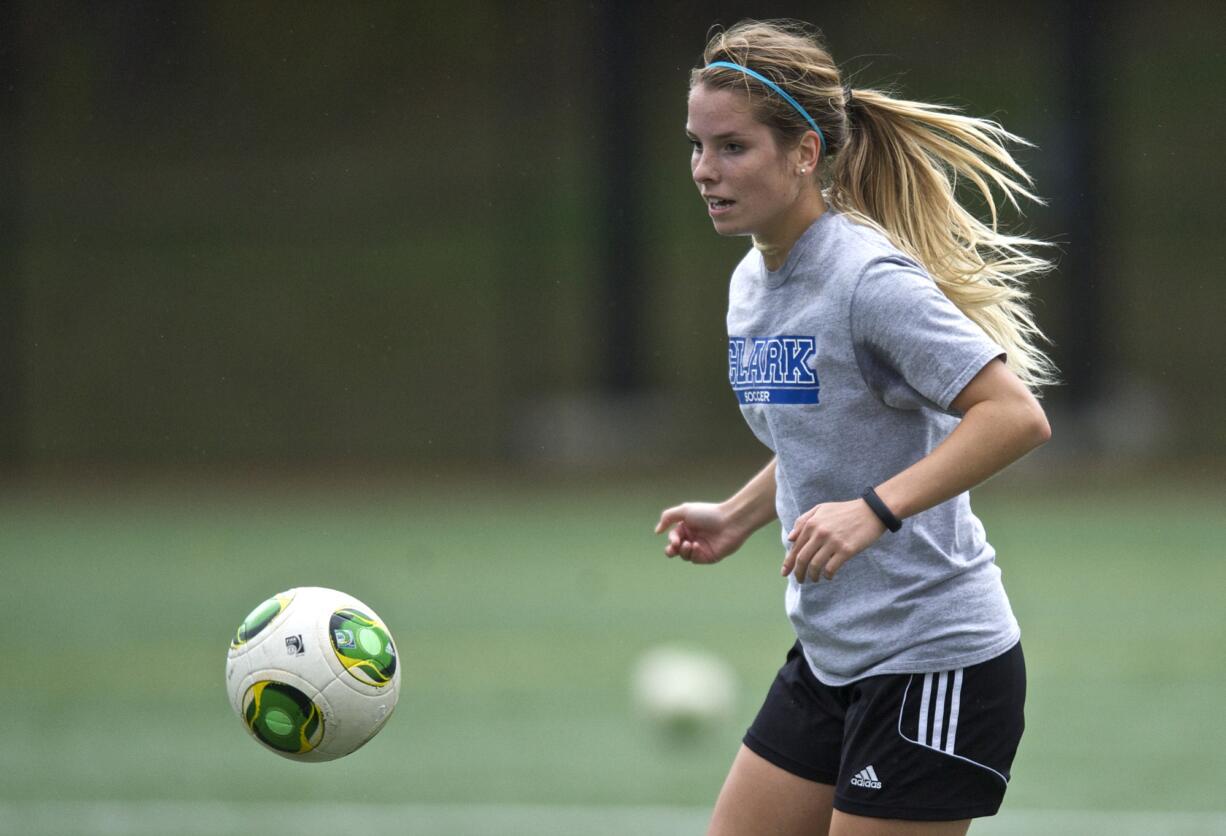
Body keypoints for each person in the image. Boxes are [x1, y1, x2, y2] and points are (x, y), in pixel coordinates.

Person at [654, 20, 1055, 836]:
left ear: (804, 153)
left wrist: (872, 510)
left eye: (732, 148)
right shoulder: (751, 281)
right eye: (696, 146)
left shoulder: (867, 279)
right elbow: (827, 428)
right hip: (833, 657)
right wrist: (737, 514)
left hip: (934, 663)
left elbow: (1014, 417)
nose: (705, 171)